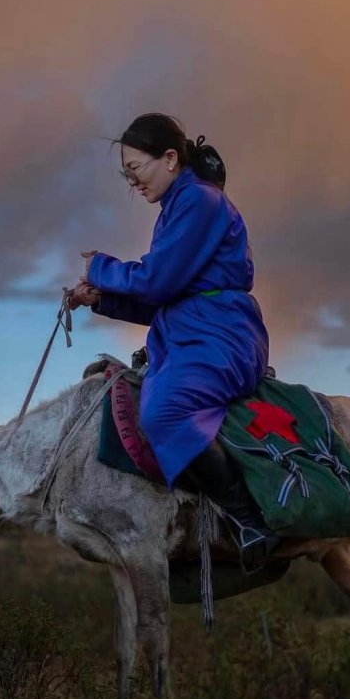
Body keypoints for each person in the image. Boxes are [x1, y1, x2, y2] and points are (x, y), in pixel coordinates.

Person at [67, 113, 279, 565]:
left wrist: (100, 267)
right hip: (190, 333)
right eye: (127, 177)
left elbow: (158, 281)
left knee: (162, 412)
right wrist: (99, 299)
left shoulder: (201, 201)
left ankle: (247, 520)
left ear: (168, 158)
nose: (133, 183)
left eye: (135, 170)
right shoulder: (177, 210)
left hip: (221, 334)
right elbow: (161, 300)